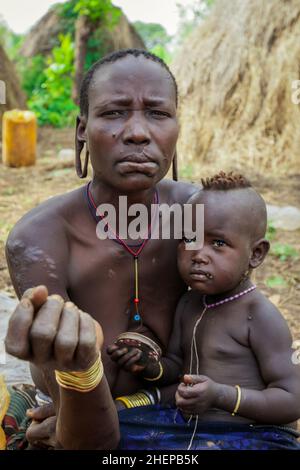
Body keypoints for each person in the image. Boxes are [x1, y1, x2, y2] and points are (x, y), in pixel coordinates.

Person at [3, 49, 197, 450]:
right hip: (83, 411)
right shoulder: (40, 238)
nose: (138, 133)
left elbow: (235, 347)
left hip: (187, 404)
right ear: (81, 130)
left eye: (158, 114)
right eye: (114, 113)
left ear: (177, 130)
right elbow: (85, 421)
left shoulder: (200, 215)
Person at [108, 172, 300, 450]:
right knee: (109, 429)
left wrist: (220, 396)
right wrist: (150, 367)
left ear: (256, 254)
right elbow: (176, 366)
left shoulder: (259, 315)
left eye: (218, 243)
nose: (198, 254)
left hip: (255, 435)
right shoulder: (189, 304)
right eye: (189, 239)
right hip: (190, 428)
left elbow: (292, 399)